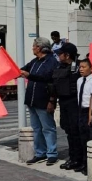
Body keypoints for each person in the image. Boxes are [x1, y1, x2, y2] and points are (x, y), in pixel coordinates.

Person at [21, 37, 59, 166]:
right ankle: (40, 153)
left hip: (44, 99)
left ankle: (52, 153)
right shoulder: (34, 61)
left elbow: (48, 78)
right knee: (36, 128)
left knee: (48, 128)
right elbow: (23, 70)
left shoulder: (51, 61)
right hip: (32, 99)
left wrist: (52, 101)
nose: (32, 48)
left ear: (40, 48)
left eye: (34, 46)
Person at [51, 43, 82, 171]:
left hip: (73, 103)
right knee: (68, 131)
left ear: (67, 55)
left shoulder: (78, 67)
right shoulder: (60, 67)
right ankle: (73, 157)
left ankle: (78, 159)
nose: (58, 55)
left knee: (75, 133)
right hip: (63, 103)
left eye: (61, 53)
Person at [77, 58, 92, 174]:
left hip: (89, 111)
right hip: (80, 110)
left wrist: (90, 114)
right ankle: (83, 162)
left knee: (90, 137)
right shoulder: (79, 81)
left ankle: (89, 164)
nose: (81, 69)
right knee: (82, 137)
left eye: (84, 67)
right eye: (80, 67)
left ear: (91, 68)